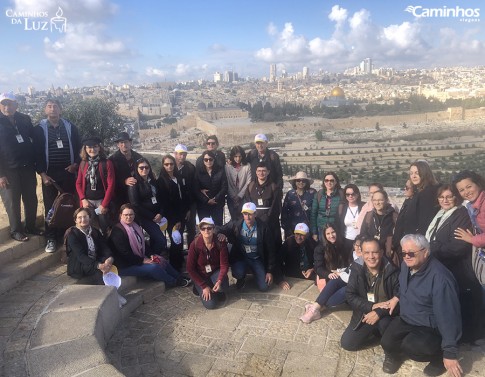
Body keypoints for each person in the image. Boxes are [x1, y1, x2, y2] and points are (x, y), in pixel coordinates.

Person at [380, 234, 462, 377]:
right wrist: (397, 297)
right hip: (408, 318)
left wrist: (450, 352)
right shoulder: (407, 266)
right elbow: (406, 286)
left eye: (411, 253)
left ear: (426, 252)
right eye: (403, 253)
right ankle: (397, 355)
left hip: (430, 326)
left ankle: (438, 357)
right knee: (386, 341)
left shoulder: (440, 278)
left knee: (413, 348)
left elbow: (449, 316)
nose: (406, 256)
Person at [426, 183, 482, 343]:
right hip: (441, 265)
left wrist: (432, 248)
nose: (445, 200)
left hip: (457, 268)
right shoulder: (440, 214)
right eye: (442, 197)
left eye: (449, 196)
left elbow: (457, 246)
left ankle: (469, 336)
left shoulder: (461, 214)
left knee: (462, 303)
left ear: (456, 197)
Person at [33, 99, 81, 253]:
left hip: (68, 172)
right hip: (50, 174)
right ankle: (51, 238)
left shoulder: (70, 127)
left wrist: (75, 165)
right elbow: (37, 153)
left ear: (61, 110)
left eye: (55, 106)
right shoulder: (39, 129)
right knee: (50, 207)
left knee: (68, 205)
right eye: (49, 106)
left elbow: (79, 148)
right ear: (45, 110)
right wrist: (42, 174)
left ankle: (67, 236)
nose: (52, 109)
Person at [340, 237, 400, 351]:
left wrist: (379, 312)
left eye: (375, 252)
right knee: (347, 344)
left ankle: (389, 345)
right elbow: (350, 295)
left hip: (386, 314)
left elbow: (399, 299)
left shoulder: (393, 271)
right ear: (361, 253)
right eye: (367, 252)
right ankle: (375, 332)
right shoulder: (356, 269)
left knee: (384, 325)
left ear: (381, 252)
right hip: (365, 312)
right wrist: (371, 306)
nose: (371, 256)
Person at [109, 204, 190, 287]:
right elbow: (125, 254)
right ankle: (173, 282)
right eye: (126, 215)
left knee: (161, 260)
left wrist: (151, 254)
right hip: (125, 265)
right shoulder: (118, 231)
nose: (128, 217)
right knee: (154, 267)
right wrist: (142, 260)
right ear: (120, 215)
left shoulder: (134, 226)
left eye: (131, 214)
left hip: (137, 259)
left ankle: (179, 277)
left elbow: (143, 244)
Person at [0, 92, 40, 242]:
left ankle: (31, 226)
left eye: (10, 103)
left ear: (16, 105)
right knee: (12, 201)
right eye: (4, 104)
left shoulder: (24, 119)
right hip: (8, 171)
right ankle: (16, 230)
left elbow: (34, 138)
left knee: (31, 199)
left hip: (27, 167)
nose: (7, 107)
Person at [300, 235, 365, 324]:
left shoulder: (366, 258)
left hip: (358, 287)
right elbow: (350, 269)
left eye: (361, 246)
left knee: (331, 299)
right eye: (356, 245)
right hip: (349, 280)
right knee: (335, 279)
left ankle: (316, 307)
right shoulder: (355, 254)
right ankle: (315, 308)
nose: (358, 248)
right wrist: (339, 271)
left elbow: (353, 278)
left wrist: (340, 273)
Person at [218, 202, 277, 292]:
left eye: (250, 214)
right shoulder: (236, 224)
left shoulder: (263, 227)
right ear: (242, 214)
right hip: (242, 257)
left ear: (255, 214)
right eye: (245, 214)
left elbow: (271, 250)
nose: (248, 217)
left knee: (264, 287)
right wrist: (219, 233)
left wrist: (270, 271)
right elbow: (218, 228)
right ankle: (241, 278)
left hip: (256, 258)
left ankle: (256, 274)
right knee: (237, 272)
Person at [186, 217, 229, 309]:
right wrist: (204, 286)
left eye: (209, 228)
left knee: (223, 285)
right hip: (200, 274)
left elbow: (224, 265)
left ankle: (218, 290)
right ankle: (199, 286)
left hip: (214, 272)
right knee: (211, 305)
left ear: (213, 229)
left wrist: (219, 280)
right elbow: (190, 268)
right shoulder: (195, 244)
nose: (206, 230)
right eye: (203, 228)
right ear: (200, 230)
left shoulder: (220, 242)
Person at [76, 136, 115, 235]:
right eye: (89, 147)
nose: (92, 149)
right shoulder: (83, 164)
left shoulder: (107, 163)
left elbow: (111, 184)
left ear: (99, 148)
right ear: (85, 149)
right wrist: (83, 199)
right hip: (87, 201)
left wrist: (104, 204)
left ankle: (105, 244)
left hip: (102, 200)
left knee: (104, 224)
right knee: (88, 225)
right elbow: (78, 183)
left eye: (95, 146)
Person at [157, 154, 190, 271]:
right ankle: (174, 266)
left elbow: (184, 196)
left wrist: (187, 211)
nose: (169, 166)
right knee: (175, 239)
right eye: (166, 164)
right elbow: (165, 203)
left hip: (181, 214)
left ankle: (179, 262)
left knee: (179, 239)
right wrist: (175, 220)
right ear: (163, 165)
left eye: (171, 164)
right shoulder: (161, 181)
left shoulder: (179, 177)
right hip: (171, 217)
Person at [128, 158, 167, 255]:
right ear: (136, 169)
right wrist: (152, 216)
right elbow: (135, 204)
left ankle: (155, 259)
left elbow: (161, 198)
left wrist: (160, 213)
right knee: (161, 240)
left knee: (155, 239)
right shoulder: (134, 184)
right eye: (141, 168)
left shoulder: (153, 181)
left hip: (157, 215)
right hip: (144, 217)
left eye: (146, 167)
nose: (144, 169)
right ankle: (152, 257)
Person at [66, 208, 113, 282]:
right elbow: (81, 256)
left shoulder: (95, 231)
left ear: (89, 218)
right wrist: (99, 265)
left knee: (111, 266)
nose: (83, 219)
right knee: (101, 274)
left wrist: (109, 258)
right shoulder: (72, 234)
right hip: (80, 264)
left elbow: (104, 247)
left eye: (85, 217)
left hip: (95, 260)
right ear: (75, 220)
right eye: (79, 217)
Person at [244, 162, 282, 248]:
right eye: (259, 171)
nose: (261, 173)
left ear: (268, 172)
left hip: (270, 222)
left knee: (271, 246)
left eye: (264, 171)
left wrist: (267, 217)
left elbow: (276, 206)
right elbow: (247, 202)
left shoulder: (274, 187)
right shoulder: (251, 186)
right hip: (254, 220)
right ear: (256, 172)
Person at [360, 190, 398, 265]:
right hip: (372, 255)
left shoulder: (394, 216)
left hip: (388, 255)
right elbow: (363, 234)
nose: (377, 203)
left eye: (380, 200)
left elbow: (398, 236)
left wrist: (392, 247)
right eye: (375, 200)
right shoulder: (369, 216)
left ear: (386, 200)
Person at [402, 160, 440, 235]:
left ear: (425, 173)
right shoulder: (420, 192)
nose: (413, 176)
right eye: (411, 173)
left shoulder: (428, 193)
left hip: (421, 239)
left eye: (417, 173)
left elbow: (425, 221)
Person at [108, 132, 143, 212]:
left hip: (138, 192)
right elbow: (110, 179)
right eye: (121, 142)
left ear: (130, 143)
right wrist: (124, 181)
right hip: (120, 194)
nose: (124, 145)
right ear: (118, 145)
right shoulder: (112, 160)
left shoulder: (138, 158)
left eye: (126, 142)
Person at [194, 150, 227, 225]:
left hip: (217, 204)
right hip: (203, 205)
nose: (208, 161)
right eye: (206, 159)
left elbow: (224, 187)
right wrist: (206, 200)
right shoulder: (198, 172)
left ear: (214, 160)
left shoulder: (220, 171)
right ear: (203, 161)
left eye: (210, 159)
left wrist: (215, 199)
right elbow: (195, 189)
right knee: (204, 227)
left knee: (218, 227)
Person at [313, 223, 350, 292]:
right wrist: (329, 274)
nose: (331, 236)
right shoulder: (320, 248)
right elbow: (318, 268)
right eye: (328, 234)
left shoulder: (344, 244)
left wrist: (341, 271)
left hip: (342, 274)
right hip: (328, 275)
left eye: (333, 232)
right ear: (324, 235)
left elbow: (349, 262)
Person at [281, 171, 316, 240]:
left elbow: (315, 211)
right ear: (295, 182)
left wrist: (314, 230)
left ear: (307, 182)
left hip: (308, 228)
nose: (301, 182)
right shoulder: (290, 194)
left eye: (303, 181)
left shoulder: (312, 193)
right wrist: (286, 227)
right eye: (298, 180)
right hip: (292, 228)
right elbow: (284, 211)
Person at [174, 144, 197, 247]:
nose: (182, 157)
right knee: (178, 229)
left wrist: (189, 208)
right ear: (175, 154)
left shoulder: (190, 168)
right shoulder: (170, 166)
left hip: (190, 203)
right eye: (180, 154)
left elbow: (193, 188)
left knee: (191, 229)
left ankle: (192, 252)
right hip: (176, 205)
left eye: (184, 154)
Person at [337, 184, 365, 260]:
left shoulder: (364, 206)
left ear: (358, 194)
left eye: (353, 194)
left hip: (360, 241)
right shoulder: (342, 207)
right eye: (348, 194)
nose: (350, 196)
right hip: (346, 240)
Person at [225, 145, 251, 221]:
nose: (238, 159)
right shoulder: (227, 167)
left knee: (243, 219)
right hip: (231, 197)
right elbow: (227, 182)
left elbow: (248, 182)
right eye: (236, 156)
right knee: (233, 219)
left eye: (240, 156)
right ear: (232, 156)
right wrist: (233, 196)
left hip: (243, 197)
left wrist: (239, 196)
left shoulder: (247, 166)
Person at [392, 180, 415, 257]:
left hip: (407, 244)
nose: (405, 189)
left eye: (407, 187)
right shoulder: (407, 202)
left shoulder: (414, 204)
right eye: (405, 187)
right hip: (399, 242)